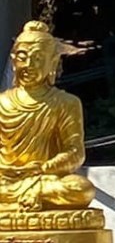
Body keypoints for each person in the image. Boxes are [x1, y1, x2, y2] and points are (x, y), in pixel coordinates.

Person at [0, 22, 94, 212]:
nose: (28, 65)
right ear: (13, 60)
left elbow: (75, 152)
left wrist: (43, 168)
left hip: (43, 179)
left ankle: (36, 195)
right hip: (5, 180)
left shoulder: (66, 102)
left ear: (52, 62)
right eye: (22, 57)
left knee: (82, 189)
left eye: (37, 58)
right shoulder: (2, 102)